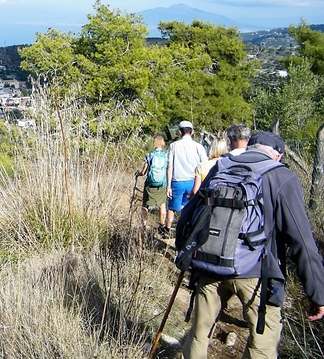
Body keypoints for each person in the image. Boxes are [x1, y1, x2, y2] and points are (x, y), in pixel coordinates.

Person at [178, 131, 324, 358]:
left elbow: (188, 214)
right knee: (262, 344)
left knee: (199, 335)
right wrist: (317, 294)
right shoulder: (281, 176)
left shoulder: (222, 167)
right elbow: (302, 241)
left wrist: (185, 256)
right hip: (257, 272)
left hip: (208, 263)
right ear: (279, 155)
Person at [165, 121, 208, 233]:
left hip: (177, 181)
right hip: (193, 182)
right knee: (189, 209)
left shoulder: (173, 146)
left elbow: (169, 167)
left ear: (179, 132)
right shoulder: (199, 147)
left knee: (172, 208)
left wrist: (168, 186)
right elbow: (204, 165)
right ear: (192, 132)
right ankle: (185, 232)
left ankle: (167, 230)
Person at [136, 135, 168, 234]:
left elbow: (143, 172)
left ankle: (144, 224)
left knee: (145, 204)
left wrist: (138, 174)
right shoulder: (166, 155)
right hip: (162, 184)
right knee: (162, 205)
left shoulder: (150, 155)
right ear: (163, 143)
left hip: (150, 184)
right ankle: (162, 226)